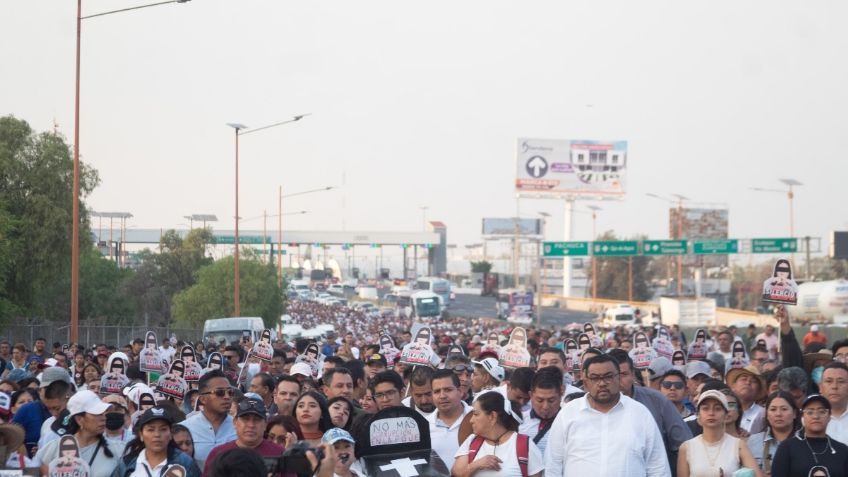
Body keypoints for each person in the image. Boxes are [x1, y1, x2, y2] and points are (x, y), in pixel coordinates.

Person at [545, 354, 670, 477]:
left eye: (608, 377)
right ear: (585, 381)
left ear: (618, 378)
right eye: (595, 378)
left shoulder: (640, 414)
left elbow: (657, 467)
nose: (602, 383)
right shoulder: (568, 413)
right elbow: (553, 465)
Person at [453, 390, 543, 477]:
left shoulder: (524, 444)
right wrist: (476, 465)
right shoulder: (471, 441)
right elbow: (456, 473)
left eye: (476, 414)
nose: (471, 420)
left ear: (492, 416)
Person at [36, 390, 125, 477]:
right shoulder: (54, 448)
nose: (104, 418)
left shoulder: (118, 449)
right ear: (79, 419)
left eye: (103, 413)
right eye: (97, 414)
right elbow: (29, 471)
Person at [677, 389, 761, 477]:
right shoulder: (686, 447)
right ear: (698, 415)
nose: (711, 413)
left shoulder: (738, 445)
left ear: (725, 415)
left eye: (717, 409)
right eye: (705, 408)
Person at [203, 398, 284, 477]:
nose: (251, 425)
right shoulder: (218, 454)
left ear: (265, 424)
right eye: (245, 419)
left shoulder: (280, 453)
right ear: (235, 422)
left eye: (256, 420)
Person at [111, 406, 200, 477]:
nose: (157, 434)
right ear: (141, 435)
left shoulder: (185, 463)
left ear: (170, 435)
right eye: (150, 430)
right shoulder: (127, 464)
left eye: (163, 429)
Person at [772, 394, 848, 477]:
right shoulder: (787, 448)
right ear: (803, 417)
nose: (816, 416)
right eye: (810, 412)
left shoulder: (842, 450)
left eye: (822, 412)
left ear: (829, 416)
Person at [13, 367, 72, 456]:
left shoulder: (78, 413)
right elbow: (11, 439)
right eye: (48, 388)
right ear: (40, 390)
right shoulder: (26, 410)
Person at [181, 370, 236, 464]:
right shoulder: (185, 429)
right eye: (220, 392)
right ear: (203, 399)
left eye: (230, 392)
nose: (227, 397)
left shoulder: (240, 427)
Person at [746, 391, 799, 475]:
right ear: (767, 414)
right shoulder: (753, 441)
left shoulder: (805, 441)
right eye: (773, 409)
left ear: (794, 414)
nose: (778, 414)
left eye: (784, 409)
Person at [427, 369, 472, 467]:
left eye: (448, 390)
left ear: (460, 391)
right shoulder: (424, 425)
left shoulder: (476, 417)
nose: (442, 396)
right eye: (437, 391)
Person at [519, 366, 563, 457]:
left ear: (561, 394)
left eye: (551, 400)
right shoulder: (518, 421)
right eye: (540, 400)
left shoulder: (569, 422)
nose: (545, 406)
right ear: (531, 395)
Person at [727, 365, 767, 434]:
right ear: (733, 386)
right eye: (744, 379)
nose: (748, 382)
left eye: (754, 381)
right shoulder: (724, 409)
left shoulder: (763, 413)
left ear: (758, 390)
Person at [822, 361, 848, 445]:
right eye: (829, 381)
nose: (834, 386)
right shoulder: (809, 419)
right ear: (820, 387)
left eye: (841, 381)